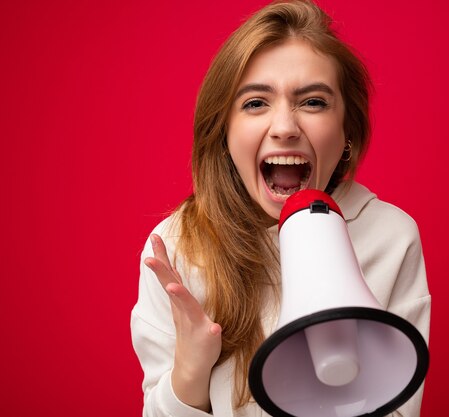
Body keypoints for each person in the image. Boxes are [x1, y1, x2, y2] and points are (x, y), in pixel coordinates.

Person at [130, 1, 431, 416]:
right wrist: (190, 371)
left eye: (313, 103)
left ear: (347, 132)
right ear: (225, 132)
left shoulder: (391, 237)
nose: (286, 127)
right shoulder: (176, 248)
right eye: (255, 103)